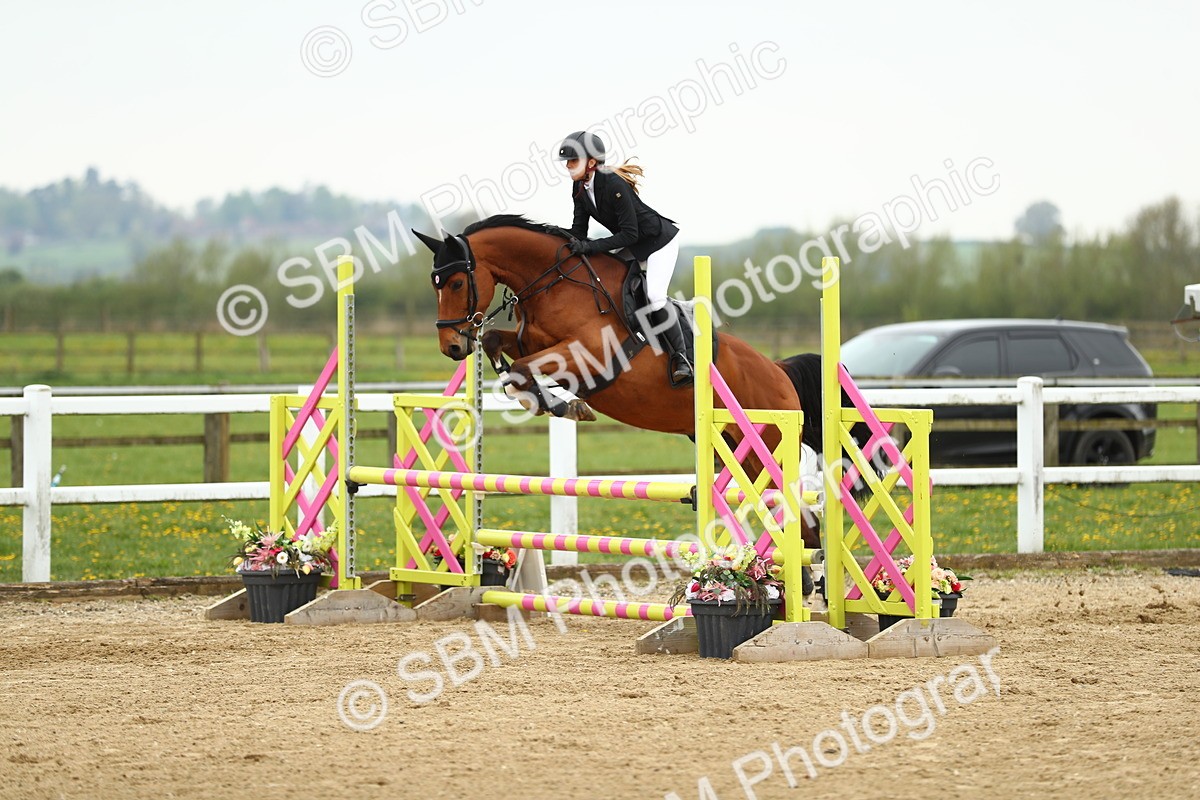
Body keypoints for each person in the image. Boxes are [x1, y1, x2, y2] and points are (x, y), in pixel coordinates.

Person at [557, 130, 692, 385]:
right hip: (633, 243)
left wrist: (591, 247)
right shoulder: (579, 188)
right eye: (567, 161)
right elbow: (578, 232)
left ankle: (682, 358)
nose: (568, 166)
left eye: (573, 160)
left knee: (655, 296)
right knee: (608, 282)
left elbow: (630, 234)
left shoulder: (613, 184)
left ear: (591, 162)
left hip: (658, 241)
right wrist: (553, 237)